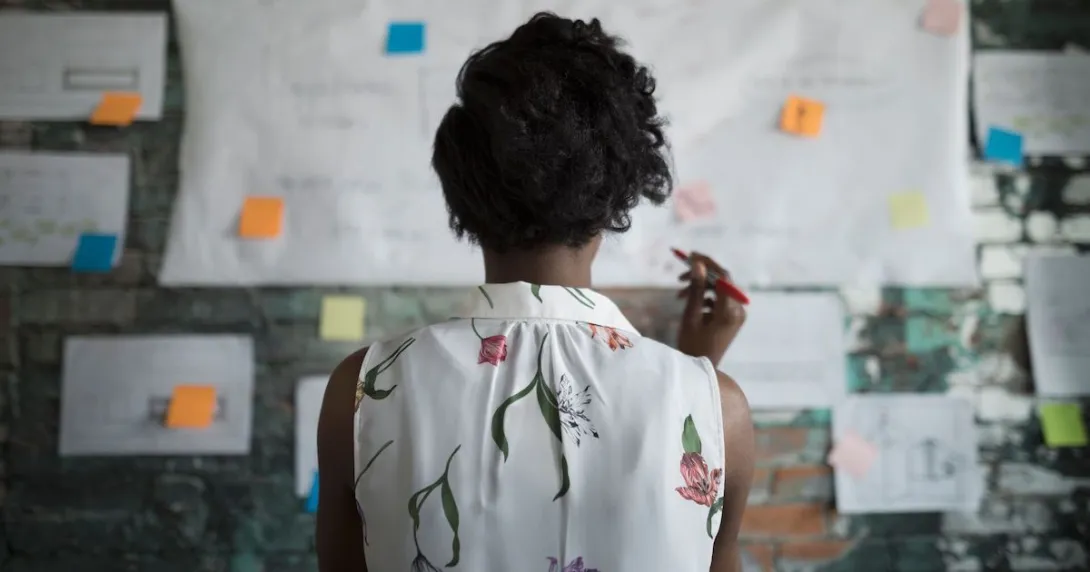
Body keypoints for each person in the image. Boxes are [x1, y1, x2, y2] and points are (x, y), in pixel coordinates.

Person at [316, 12, 754, 572]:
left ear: (462, 191)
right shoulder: (722, 410)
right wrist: (698, 374)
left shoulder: (359, 390)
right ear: (619, 194)